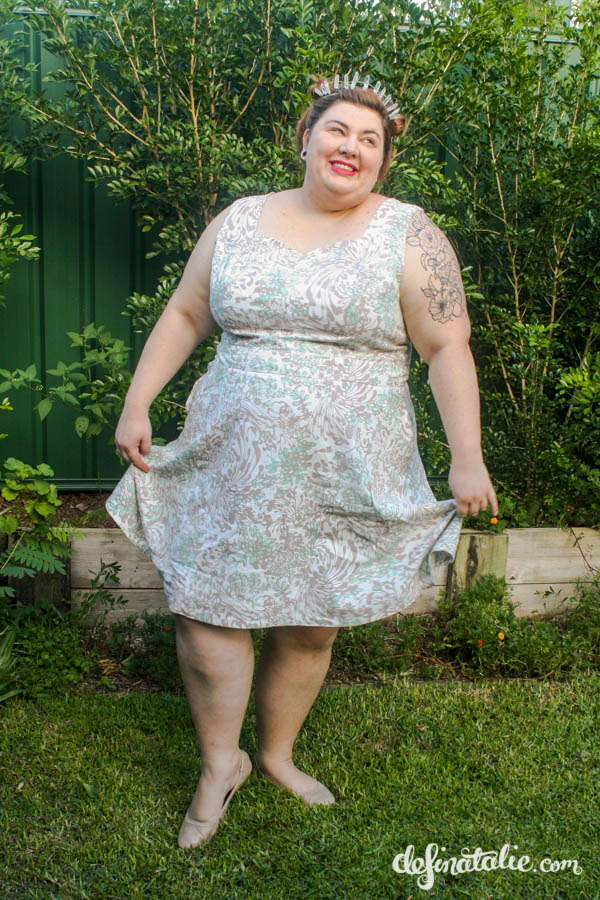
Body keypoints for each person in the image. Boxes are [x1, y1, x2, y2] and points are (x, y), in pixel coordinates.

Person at [105, 71, 498, 850]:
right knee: (208, 605)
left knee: (314, 618)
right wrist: (137, 400)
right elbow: (187, 311)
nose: (351, 146)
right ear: (306, 137)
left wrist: (467, 457)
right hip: (232, 454)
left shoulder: (411, 233)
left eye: (370, 139)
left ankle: (276, 755)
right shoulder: (240, 220)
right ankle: (221, 764)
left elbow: (447, 345)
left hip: (347, 464)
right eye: (338, 130)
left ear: (383, 160)